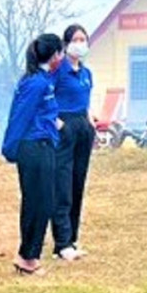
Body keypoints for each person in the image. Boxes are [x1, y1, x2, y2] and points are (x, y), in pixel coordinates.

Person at [2, 34, 63, 276]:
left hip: (44, 145)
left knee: (43, 201)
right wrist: (10, 148)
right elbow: (20, 115)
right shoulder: (36, 83)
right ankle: (27, 256)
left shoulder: (43, 80)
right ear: (54, 55)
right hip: (34, 147)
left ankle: (29, 254)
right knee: (38, 202)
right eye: (60, 52)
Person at [52, 24, 94, 260]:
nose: (80, 44)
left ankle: (72, 238)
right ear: (66, 44)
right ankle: (62, 242)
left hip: (82, 126)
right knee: (63, 185)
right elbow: (46, 99)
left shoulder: (86, 74)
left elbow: (86, 102)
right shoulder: (58, 71)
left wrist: (90, 123)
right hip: (64, 125)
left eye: (83, 39)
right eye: (76, 39)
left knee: (78, 182)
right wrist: (59, 124)